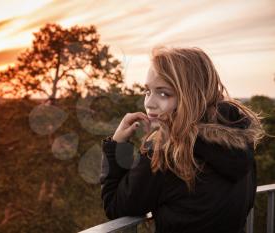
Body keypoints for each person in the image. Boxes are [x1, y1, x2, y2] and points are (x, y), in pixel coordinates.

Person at [100, 46, 265, 233]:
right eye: (147, 91)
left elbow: (115, 205)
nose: (149, 103)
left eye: (164, 93)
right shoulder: (240, 144)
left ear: (190, 95)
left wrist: (117, 146)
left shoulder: (168, 153)